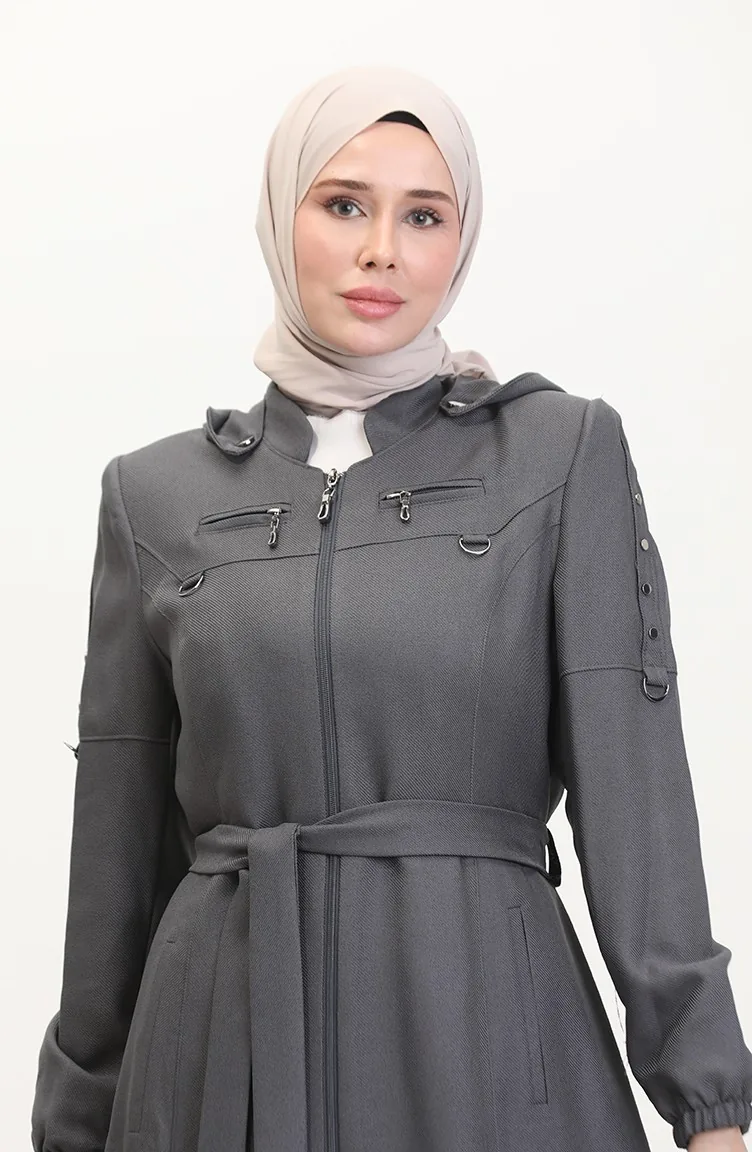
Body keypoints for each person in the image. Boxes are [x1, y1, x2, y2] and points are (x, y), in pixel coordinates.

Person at [31, 64, 752, 1152]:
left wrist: (710, 1106)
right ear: (281, 218)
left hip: (490, 1053)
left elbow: (634, 794)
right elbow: (115, 858)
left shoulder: (558, 454)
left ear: (461, 241)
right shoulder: (154, 495)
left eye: (423, 216)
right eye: (342, 204)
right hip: (216, 1064)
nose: (382, 250)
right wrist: (74, 1118)